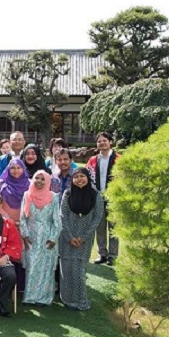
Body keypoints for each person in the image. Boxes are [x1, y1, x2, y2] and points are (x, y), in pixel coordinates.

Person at [59, 168, 104, 310]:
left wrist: (83, 237)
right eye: (76, 177)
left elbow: (97, 218)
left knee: (78, 269)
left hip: (85, 238)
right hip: (67, 237)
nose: (79, 179)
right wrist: (70, 237)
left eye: (82, 176)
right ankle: (67, 300)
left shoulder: (96, 196)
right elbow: (62, 216)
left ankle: (80, 301)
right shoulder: (67, 194)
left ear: (88, 178)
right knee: (66, 269)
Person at [19, 170, 61, 306]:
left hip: (47, 237)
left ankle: (43, 298)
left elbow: (57, 220)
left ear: (47, 181)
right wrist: (25, 236)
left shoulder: (54, 197)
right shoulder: (27, 195)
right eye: (37, 178)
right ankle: (30, 297)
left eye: (43, 179)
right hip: (31, 236)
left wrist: (53, 238)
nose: (39, 181)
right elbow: (22, 218)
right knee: (32, 267)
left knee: (46, 267)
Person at [86, 132, 120, 265]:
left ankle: (113, 255)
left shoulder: (118, 159)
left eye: (104, 140)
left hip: (113, 198)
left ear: (110, 142)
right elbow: (88, 177)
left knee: (113, 228)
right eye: (99, 141)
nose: (102, 143)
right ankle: (102, 254)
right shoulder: (93, 160)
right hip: (98, 197)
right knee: (99, 227)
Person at [0, 158, 30, 225]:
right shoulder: (2, 184)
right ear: (8, 169)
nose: (16, 170)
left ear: (23, 169)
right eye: (13, 168)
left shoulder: (30, 184)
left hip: (25, 224)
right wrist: (7, 218)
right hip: (5, 223)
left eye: (18, 168)